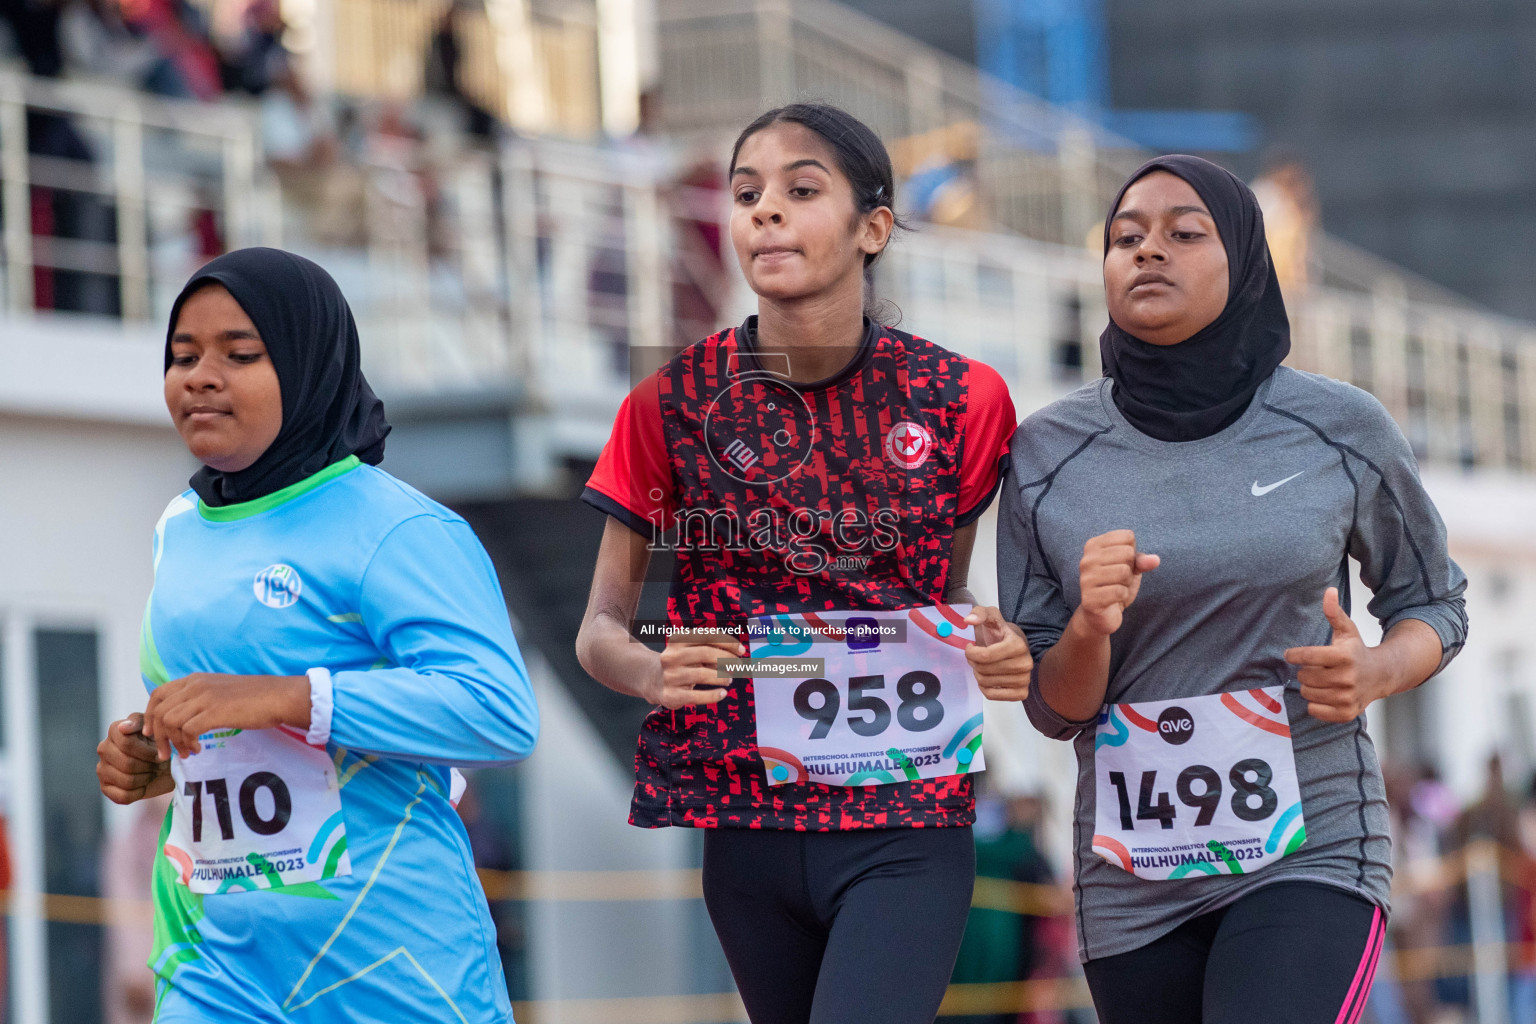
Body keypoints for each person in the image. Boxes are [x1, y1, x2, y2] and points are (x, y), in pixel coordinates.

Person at [574, 103, 1031, 1024]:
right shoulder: (667, 403)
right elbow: (599, 632)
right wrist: (652, 669)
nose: (765, 211)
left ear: (874, 228)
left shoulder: (964, 400)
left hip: (905, 821)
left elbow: (948, 600)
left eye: (800, 189)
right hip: (743, 826)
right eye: (747, 194)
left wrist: (995, 640)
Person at [999, 155, 1468, 1024]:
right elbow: (1049, 707)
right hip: (1132, 878)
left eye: (1184, 233)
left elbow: (1435, 603)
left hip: (1309, 851)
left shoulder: (1339, 426)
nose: (1149, 252)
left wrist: (1377, 672)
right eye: (1126, 237)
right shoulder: (1045, 454)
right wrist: (1089, 631)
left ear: (1245, 258)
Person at [93, 247, 538, 1023]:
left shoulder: (396, 527)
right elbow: (215, 720)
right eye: (182, 355)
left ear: (306, 365)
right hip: (212, 964)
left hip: (388, 962)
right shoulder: (178, 529)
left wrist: (287, 699)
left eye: (240, 354)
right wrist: (150, 755)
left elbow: (498, 711)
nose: (199, 376)